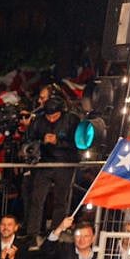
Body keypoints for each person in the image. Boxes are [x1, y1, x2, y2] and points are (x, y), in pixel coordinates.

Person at [24, 95, 80, 235]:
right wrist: (42, 141)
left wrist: (58, 142)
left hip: (64, 163)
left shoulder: (72, 120)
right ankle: (33, 233)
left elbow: (78, 143)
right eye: (48, 116)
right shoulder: (38, 121)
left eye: (54, 116)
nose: (51, 119)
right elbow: (29, 140)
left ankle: (56, 231)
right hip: (44, 162)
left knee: (61, 199)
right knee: (37, 198)